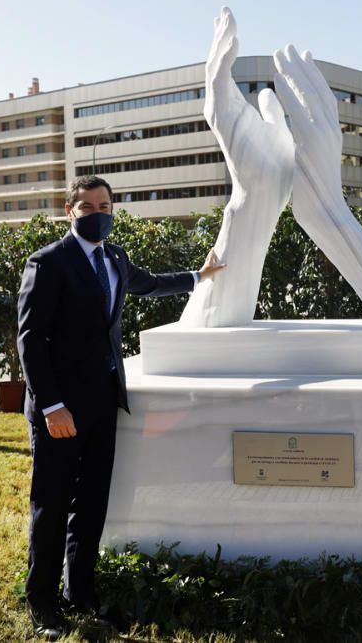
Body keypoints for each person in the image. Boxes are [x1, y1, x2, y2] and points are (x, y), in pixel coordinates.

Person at [17, 175, 224, 640]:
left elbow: (148, 285)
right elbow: (30, 341)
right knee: (50, 506)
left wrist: (200, 276)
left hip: (103, 403)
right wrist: (51, 406)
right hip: (60, 411)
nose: (98, 214)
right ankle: (42, 601)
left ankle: (79, 592)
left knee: (91, 504)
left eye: (105, 206)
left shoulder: (115, 257)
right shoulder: (48, 263)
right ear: (70, 212)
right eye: (87, 207)